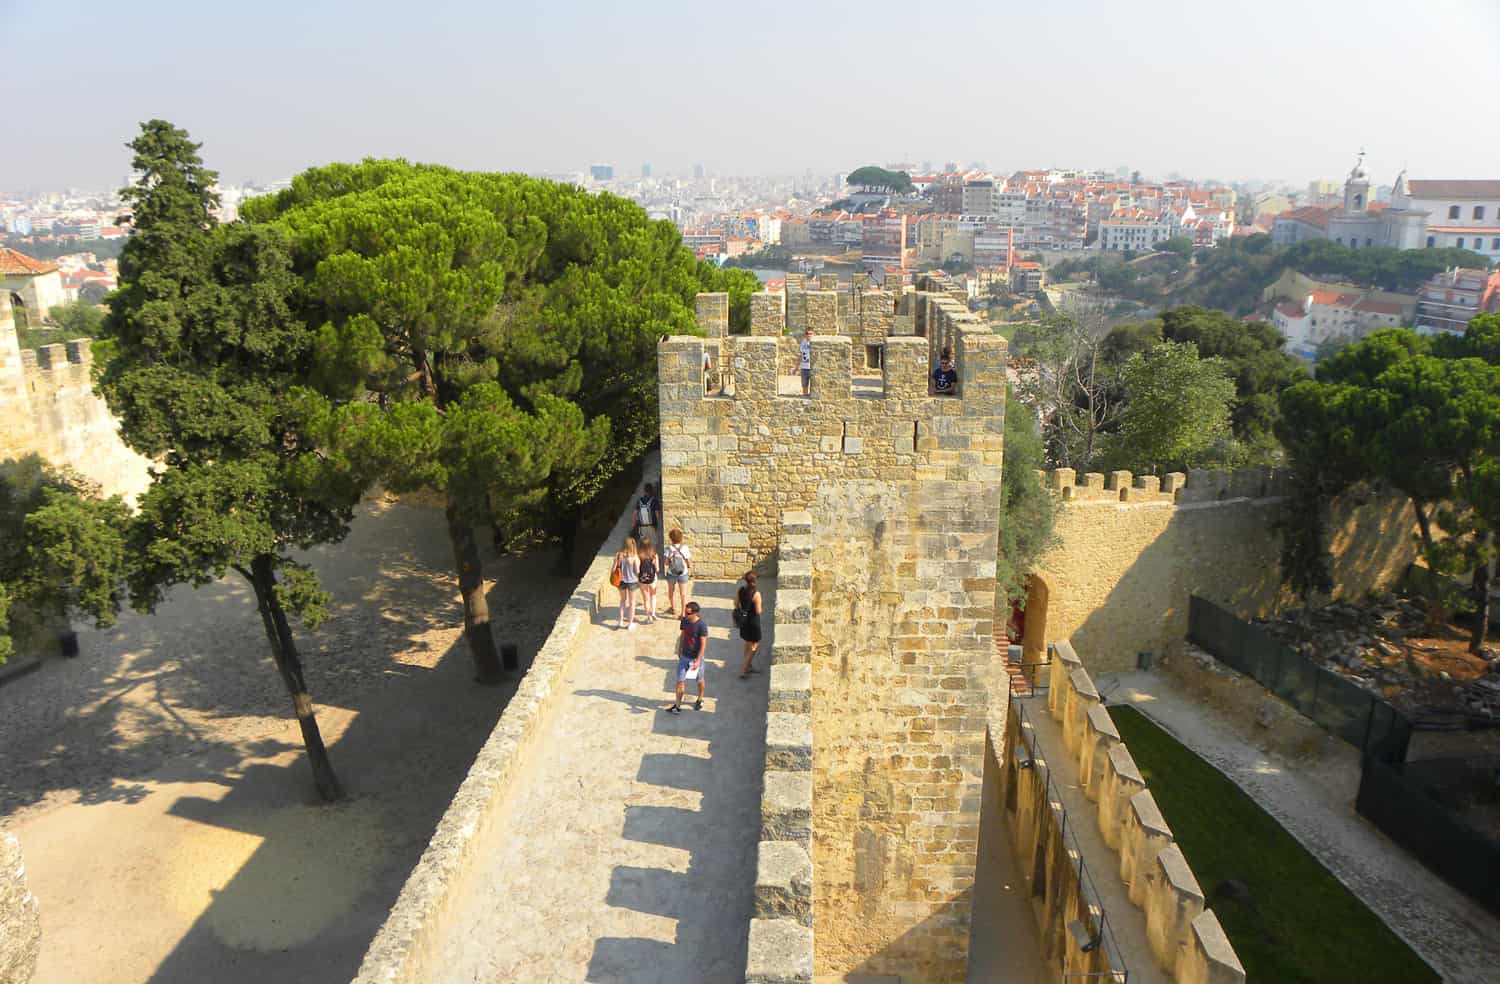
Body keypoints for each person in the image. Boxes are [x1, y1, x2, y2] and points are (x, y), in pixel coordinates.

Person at [667, 600, 708, 713]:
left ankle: (700, 698)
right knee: (680, 681)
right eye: (685, 612)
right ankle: (678, 706)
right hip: (684, 656)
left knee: (700, 680)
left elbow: (703, 644)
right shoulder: (685, 621)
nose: (686, 615)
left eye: (688, 613)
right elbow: (683, 635)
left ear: (696, 613)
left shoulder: (702, 625)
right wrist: (679, 649)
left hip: (696, 659)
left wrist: (698, 661)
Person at [736, 571, 763, 678]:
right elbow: (758, 611)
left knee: (747, 643)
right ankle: (744, 669)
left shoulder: (740, 590)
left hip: (744, 621)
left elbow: (735, 603)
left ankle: (748, 665)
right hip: (753, 622)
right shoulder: (756, 594)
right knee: (755, 645)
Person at [662, 528, 692, 616]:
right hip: (683, 573)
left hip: (671, 573)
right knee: (683, 594)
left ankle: (673, 608)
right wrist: (689, 566)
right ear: (681, 538)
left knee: (671, 591)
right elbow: (688, 561)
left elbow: (666, 563)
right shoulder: (685, 548)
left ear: (671, 538)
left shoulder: (668, 548)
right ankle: (683, 613)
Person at [614, 536, 641, 630]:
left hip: (621, 581)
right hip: (632, 581)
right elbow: (637, 571)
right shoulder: (634, 558)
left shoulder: (619, 555)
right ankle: (630, 623)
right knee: (632, 602)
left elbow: (614, 568)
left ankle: (620, 621)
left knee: (622, 600)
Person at [638, 540, 659, 622]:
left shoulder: (639, 556)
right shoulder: (654, 555)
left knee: (645, 598)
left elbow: (637, 569)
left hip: (642, 579)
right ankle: (653, 613)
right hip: (652, 579)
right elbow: (657, 569)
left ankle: (648, 617)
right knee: (653, 596)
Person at [800, 327, 814, 395]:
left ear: (813, 334)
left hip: (812, 368)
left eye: (810, 333)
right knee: (804, 385)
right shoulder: (803, 342)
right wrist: (796, 367)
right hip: (804, 368)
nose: (808, 335)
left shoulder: (815, 343)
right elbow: (800, 355)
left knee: (814, 387)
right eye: (807, 333)